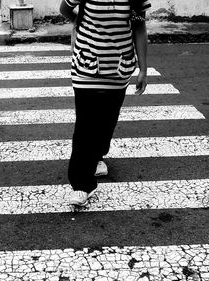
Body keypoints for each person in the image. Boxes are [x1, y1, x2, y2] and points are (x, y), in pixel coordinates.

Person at [59, 0, 151, 206]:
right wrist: (78, 22)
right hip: (86, 65)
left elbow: (139, 28)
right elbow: (64, 9)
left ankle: (97, 155)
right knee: (85, 124)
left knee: (107, 120)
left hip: (119, 68)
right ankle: (82, 185)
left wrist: (143, 69)